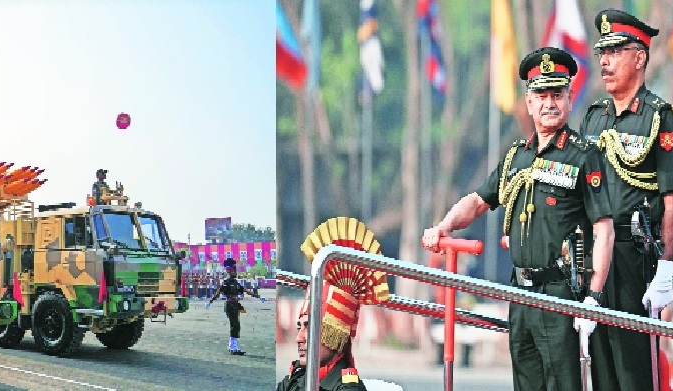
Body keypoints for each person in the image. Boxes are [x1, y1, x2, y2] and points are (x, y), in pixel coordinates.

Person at [421, 47, 615, 390]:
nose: (549, 103)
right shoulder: (516, 157)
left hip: (561, 293)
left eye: (557, 94)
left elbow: (604, 231)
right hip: (521, 291)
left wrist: (593, 300)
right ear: (529, 102)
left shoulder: (584, 157)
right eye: (541, 95)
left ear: (570, 99)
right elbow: (477, 201)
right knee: (525, 384)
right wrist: (444, 227)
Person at [578, 9, 673, 391]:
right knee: (602, 368)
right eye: (601, 54)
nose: (604, 62)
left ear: (639, 58)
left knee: (634, 371)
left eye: (615, 52)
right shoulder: (593, 118)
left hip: (635, 259)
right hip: (595, 256)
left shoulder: (660, 118)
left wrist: (666, 271)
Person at [277, 217, 393, 391]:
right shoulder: (295, 380)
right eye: (299, 327)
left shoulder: (348, 388)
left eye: (309, 327)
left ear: (336, 337)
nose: (298, 338)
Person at [205, 258, 265, 355]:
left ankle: (233, 345)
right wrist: (210, 301)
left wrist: (259, 297)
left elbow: (246, 291)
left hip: (235, 305)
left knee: (236, 325)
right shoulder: (227, 282)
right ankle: (233, 347)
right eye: (234, 271)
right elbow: (218, 293)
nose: (236, 272)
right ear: (230, 271)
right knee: (235, 325)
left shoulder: (235, 282)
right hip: (230, 305)